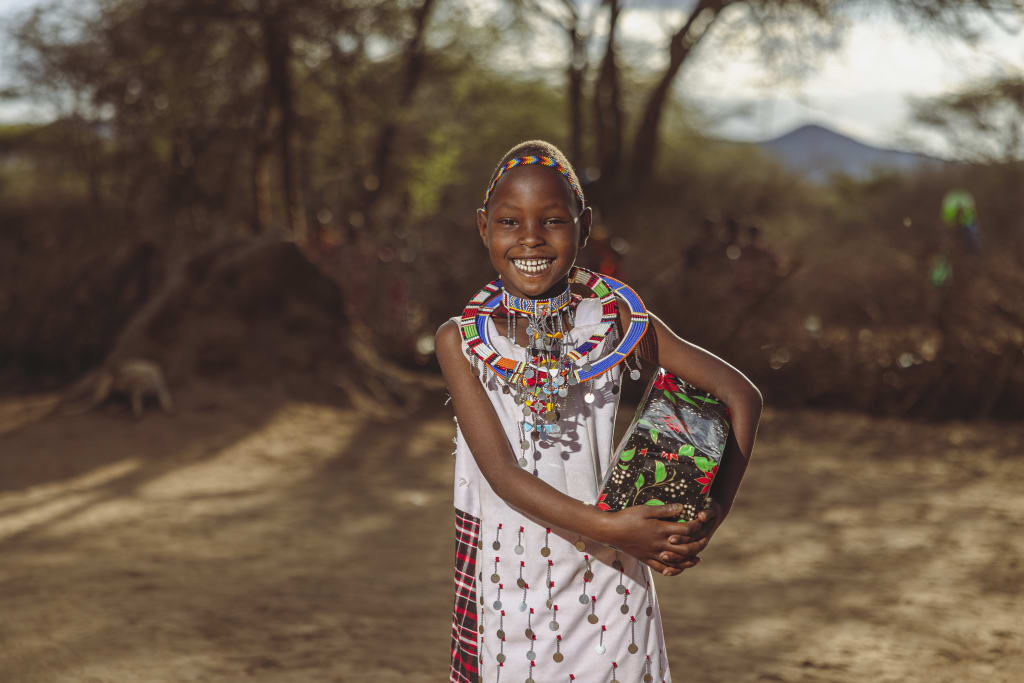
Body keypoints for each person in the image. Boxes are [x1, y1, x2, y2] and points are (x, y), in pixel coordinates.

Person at [435, 140, 763, 683]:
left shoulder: (617, 324)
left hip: (614, 583)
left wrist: (710, 514)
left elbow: (741, 396)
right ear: (482, 227)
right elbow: (501, 475)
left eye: (554, 221)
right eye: (510, 222)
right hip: (511, 578)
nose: (531, 238)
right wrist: (616, 530)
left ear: (584, 227)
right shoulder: (461, 341)